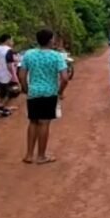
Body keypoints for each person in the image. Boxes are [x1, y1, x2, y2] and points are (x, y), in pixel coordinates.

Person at [18, 29, 69, 165]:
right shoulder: (57, 56)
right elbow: (65, 78)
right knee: (44, 123)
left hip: (33, 92)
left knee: (33, 121)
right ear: (50, 40)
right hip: (49, 92)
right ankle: (41, 156)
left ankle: (29, 155)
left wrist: (26, 89)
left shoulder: (29, 54)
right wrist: (60, 91)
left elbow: (22, 75)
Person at [0, 34, 19, 113]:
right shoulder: (8, 50)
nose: (12, 42)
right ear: (7, 40)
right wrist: (13, 76)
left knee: (2, 92)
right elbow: (9, 65)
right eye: (11, 40)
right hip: (6, 74)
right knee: (12, 91)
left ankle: (3, 106)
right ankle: (0, 106)